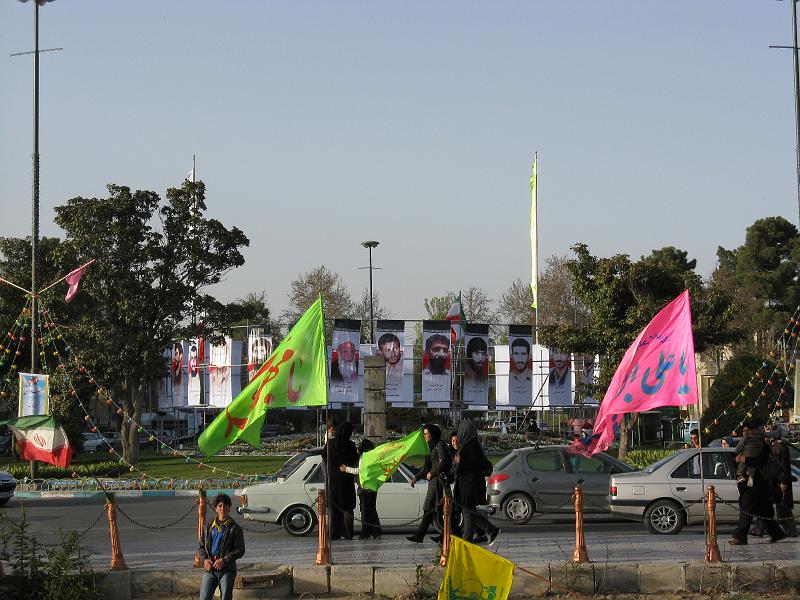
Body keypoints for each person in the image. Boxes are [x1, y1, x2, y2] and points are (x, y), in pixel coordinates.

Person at [729, 427, 786, 545]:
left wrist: (746, 459)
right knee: (763, 510)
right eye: (744, 431)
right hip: (752, 482)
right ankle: (776, 533)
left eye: (747, 431)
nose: (745, 434)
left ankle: (740, 537)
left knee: (746, 507)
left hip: (757, 482)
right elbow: (734, 457)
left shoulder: (761, 446)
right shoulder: (744, 445)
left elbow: (761, 461)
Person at [452, 420, 500, 546]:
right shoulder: (470, 444)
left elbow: (474, 465)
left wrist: (459, 462)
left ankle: (489, 530)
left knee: (468, 511)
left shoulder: (472, 446)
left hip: (469, 484)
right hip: (467, 483)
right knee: (468, 512)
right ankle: (470, 539)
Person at [406, 424, 451, 544]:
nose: (425, 436)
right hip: (433, 481)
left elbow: (443, 461)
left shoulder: (439, 444)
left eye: (427, 434)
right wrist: (417, 477)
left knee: (429, 507)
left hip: (438, 481)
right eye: (424, 434)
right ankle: (445, 535)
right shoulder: (430, 447)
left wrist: (432, 472)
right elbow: (427, 467)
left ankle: (420, 536)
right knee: (436, 509)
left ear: (433, 434)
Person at [198, 493, 245, 600]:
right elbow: (201, 547)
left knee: (225, 597)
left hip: (227, 569)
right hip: (210, 569)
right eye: (220, 506)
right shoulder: (208, 527)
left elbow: (240, 549)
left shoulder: (235, 528)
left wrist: (224, 560)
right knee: (204, 597)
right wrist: (205, 560)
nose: (222, 508)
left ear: (229, 508)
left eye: (225, 505)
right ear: (215, 509)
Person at [340, 438, 382, 539]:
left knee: (365, 512)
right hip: (373, 486)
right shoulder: (373, 457)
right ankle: (376, 531)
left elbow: (360, 471)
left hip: (364, 487)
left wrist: (346, 469)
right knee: (372, 510)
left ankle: (365, 533)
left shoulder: (364, 457)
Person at [324, 421, 358, 540]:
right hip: (347, 481)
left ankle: (333, 533)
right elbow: (355, 459)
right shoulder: (351, 446)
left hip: (333, 482)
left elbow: (324, 457)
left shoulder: (330, 444)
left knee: (333, 509)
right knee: (347, 509)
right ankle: (348, 533)